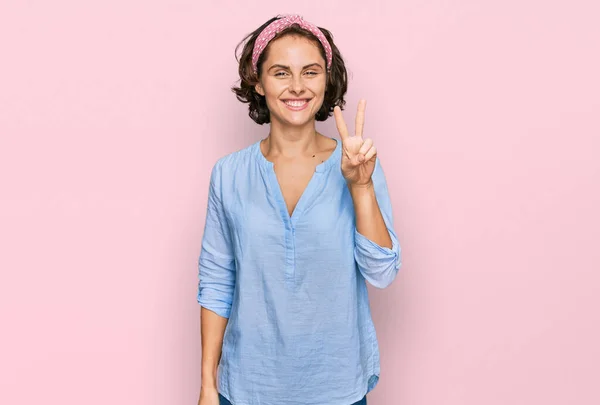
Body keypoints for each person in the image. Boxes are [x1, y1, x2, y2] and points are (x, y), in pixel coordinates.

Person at [197, 14, 402, 405]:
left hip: (337, 388)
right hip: (246, 390)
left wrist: (360, 186)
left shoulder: (358, 162)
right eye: (280, 73)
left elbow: (383, 273)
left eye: (310, 72)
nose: (297, 87)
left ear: (327, 79)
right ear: (257, 82)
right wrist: (208, 385)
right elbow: (217, 282)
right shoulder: (228, 175)